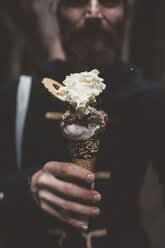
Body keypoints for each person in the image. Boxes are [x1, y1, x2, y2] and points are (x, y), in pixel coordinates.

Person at [0, 0, 165, 247]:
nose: (93, 13)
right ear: (56, 13)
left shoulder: (153, 102)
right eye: (76, 2)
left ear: (127, 14)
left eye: (109, 2)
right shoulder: (16, 96)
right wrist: (24, 188)